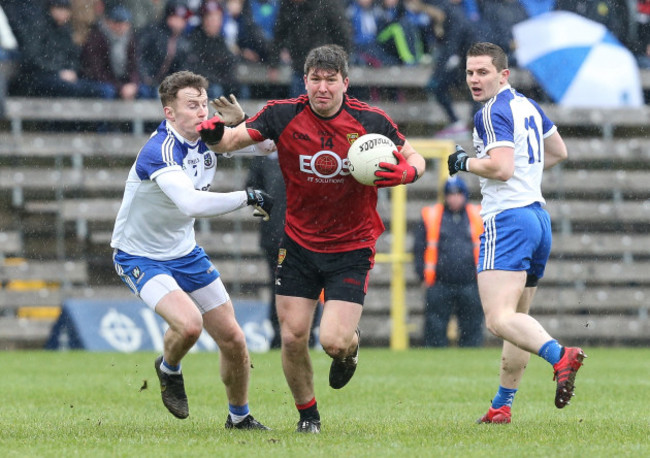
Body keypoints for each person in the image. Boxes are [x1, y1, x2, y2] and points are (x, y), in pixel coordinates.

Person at [197, 44, 426, 433]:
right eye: (315, 79)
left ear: (345, 83)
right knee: (292, 336)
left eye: (330, 80)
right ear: (305, 81)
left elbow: (416, 158)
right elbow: (230, 143)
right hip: (298, 245)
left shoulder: (370, 120)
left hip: (352, 246)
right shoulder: (282, 114)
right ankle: (309, 417)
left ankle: (349, 352)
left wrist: (406, 174)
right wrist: (215, 132)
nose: (323, 87)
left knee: (334, 341)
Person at [110, 70, 272, 430]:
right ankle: (168, 368)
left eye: (203, 103)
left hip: (185, 252)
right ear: (169, 113)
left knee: (233, 339)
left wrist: (243, 125)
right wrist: (246, 197)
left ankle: (239, 418)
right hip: (139, 255)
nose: (202, 112)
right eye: (191, 105)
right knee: (189, 326)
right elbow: (191, 204)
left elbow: (270, 149)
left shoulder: (209, 136)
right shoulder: (160, 150)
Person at [447, 41, 586, 424]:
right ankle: (501, 405)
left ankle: (561, 356)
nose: (475, 79)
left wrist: (464, 161)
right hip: (538, 219)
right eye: (470, 72)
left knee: (497, 319)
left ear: (503, 74)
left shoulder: (491, 112)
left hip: (507, 220)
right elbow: (558, 151)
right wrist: (525, 176)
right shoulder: (526, 105)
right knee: (517, 321)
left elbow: (502, 168)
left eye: (483, 72)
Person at [413, 176, 484, 347]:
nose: (454, 197)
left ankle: (471, 362)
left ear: (464, 194)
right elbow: (418, 248)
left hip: (471, 282)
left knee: (472, 327)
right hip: (438, 282)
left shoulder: (478, 215)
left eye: (458, 193)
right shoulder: (431, 215)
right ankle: (435, 362)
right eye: (450, 193)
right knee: (435, 328)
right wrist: (422, 275)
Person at [80, 5, 141, 100]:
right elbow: (97, 71)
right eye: (118, 23)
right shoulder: (96, 38)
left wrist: (133, 84)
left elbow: (134, 66)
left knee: (145, 92)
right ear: (109, 22)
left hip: (124, 82)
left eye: (125, 23)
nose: (122, 27)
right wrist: (120, 87)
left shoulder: (131, 39)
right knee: (107, 91)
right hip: (100, 81)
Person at [137, 0, 192, 99]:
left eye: (183, 19)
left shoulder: (184, 40)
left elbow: (182, 67)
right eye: (176, 17)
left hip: (166, 84)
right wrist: (146, 78)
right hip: (145, 81)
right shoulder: (152, 32)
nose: (179, 22)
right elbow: (139, 57)